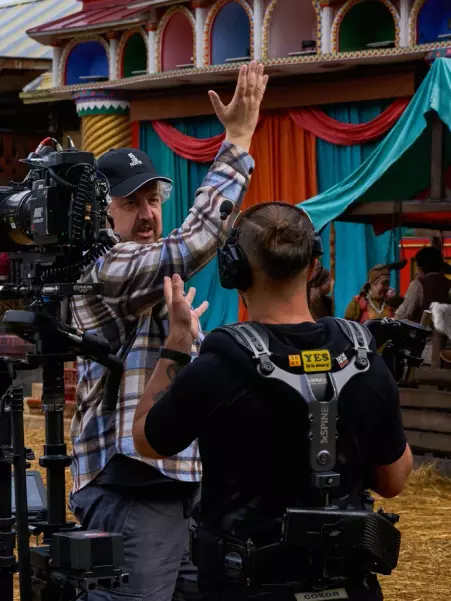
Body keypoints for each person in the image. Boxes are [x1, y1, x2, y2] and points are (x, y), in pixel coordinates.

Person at [132, 202, 413, 601]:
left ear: (234, 272)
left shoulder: (218, 366)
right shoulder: (364, 359)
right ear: (312, 266)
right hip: (349, 589)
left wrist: (178, 341)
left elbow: (147, 439)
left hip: (243, 590)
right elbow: (393, 480)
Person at [68, 61, 268, 601]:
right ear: (99, 216)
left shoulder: (144, 272)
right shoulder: (106, 267)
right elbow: (192, 246)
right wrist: (237, 141)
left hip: (170, 483)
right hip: (132, 487)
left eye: (153, 199)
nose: (147, 214)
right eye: (129, 203)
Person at [395, 246, 451, 322]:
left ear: (420, 268)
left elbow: (402, 315)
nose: (416, 273)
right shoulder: (448, 284)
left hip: (423, 329)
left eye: (417, 269)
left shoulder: (418, 285)